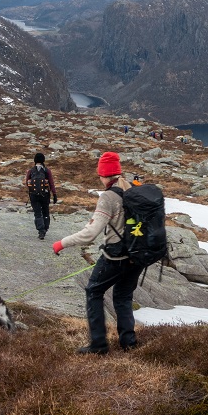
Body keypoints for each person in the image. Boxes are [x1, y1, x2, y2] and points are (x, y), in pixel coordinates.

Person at [53, 151, 141, 355]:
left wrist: (61, 243)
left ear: (104, 174)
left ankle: (98, 345)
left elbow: (90, 234)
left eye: (100, 174)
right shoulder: (131, 188)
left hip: (116, 256)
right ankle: (128, 342)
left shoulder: (108, 197)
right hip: (137, 255)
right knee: (123, 295)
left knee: (93, 291)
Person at [24, 152, 58, 240]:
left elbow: (27, 183)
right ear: (43, 160)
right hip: (45, 195)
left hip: (34, 196)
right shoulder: (47, 171)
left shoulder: (31, 171)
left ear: (35, 160)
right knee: (45, 212)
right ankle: (45, 228)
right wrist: (54, 194)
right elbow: (51, 183)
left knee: (37, 213)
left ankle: (40, 231)